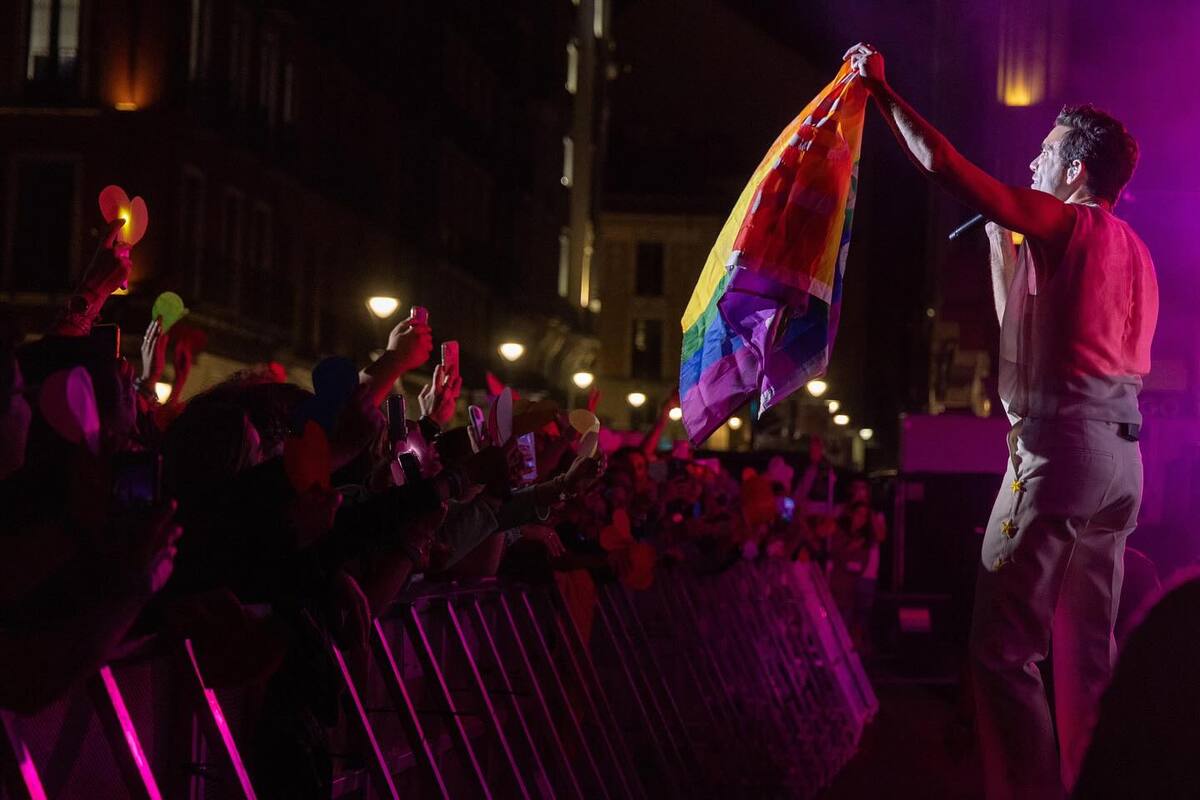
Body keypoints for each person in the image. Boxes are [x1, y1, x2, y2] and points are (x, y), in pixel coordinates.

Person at [844, 43, 1157, 799]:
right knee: (1087, 653)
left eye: (1046, 154)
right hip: (1122, 460)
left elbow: (947, 165)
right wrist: (1004, 250)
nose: (1033, 166)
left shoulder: (1066, 224)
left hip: (1062, 453)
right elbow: (1050, 333)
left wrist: (881, 92)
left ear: (1077, 171)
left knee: (1002, 652)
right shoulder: (1135, 251)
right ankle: (1092, 784)